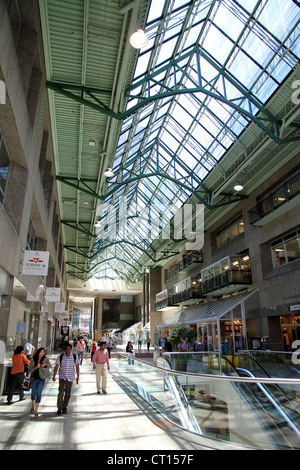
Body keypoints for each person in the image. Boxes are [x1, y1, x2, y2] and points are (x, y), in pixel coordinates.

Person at [52, 343, 80, 415]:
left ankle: (64, 407)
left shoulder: (74, 357)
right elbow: (57, 366)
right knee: (61, 393)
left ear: (71, 349)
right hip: (62, 377)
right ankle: (59, 408)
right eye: (66, 349)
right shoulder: (61, 356)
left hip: (70, 377)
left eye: (69, 349)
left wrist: (78, 377)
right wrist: (54, 375)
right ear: (64, 350)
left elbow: (77, 366)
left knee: (68, 394)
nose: (68, 350)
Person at [29, 347, 52, 419]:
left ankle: (36, 410)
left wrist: (45, 364)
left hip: (42, 379)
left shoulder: (45, 358)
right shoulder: (33, 360)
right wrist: (37, 367)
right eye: (41, 352)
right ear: (38, 352)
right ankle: (33, 405)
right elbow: (30, 369)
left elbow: (50, 365)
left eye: (43, 352)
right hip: (34, 379)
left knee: (38, 394)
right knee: (33, 393)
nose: (42, 354)